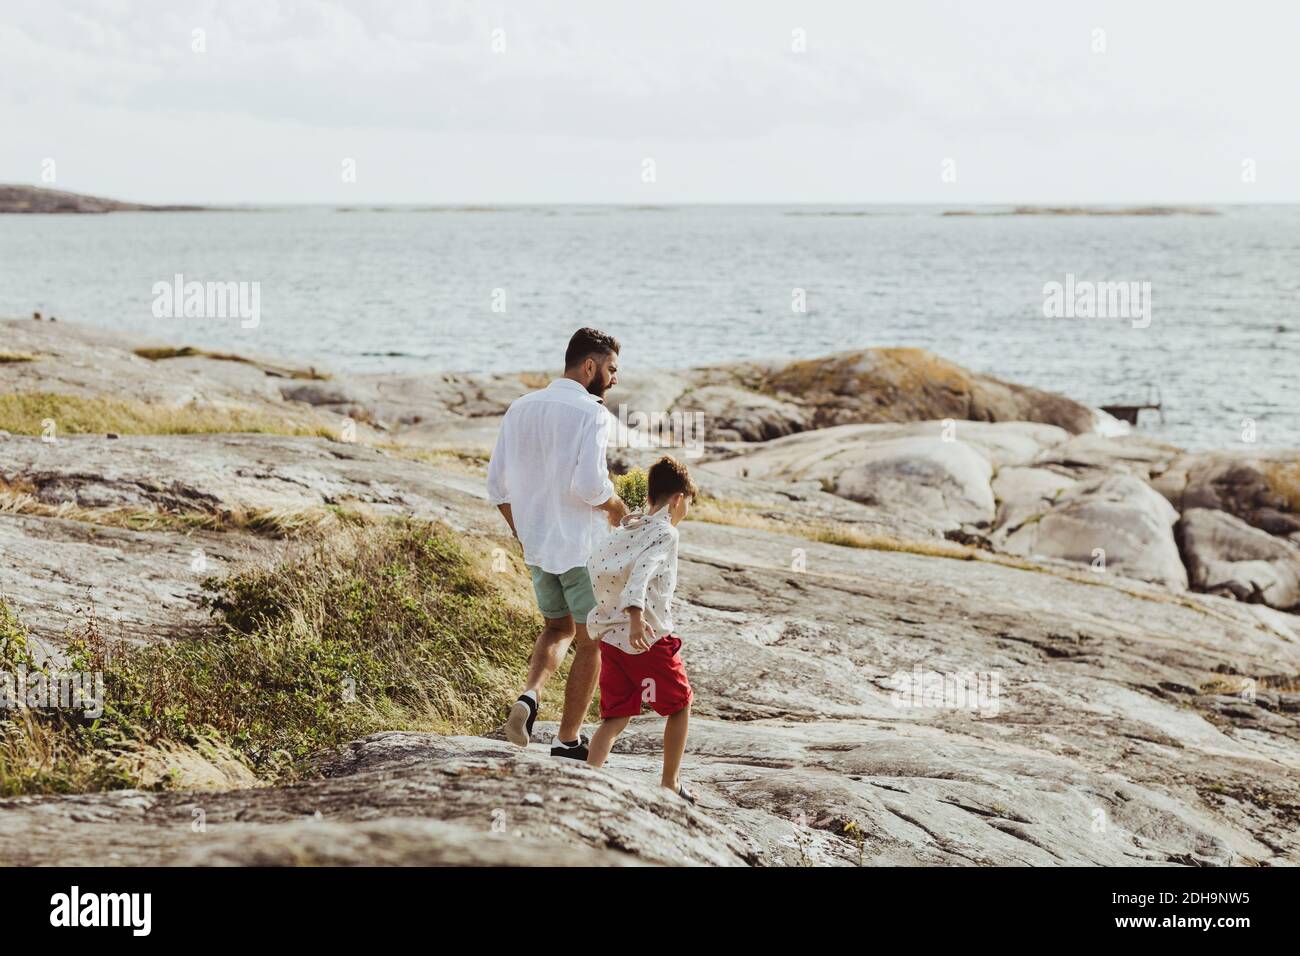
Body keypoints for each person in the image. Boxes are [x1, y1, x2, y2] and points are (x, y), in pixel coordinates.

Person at [486, 327, 629, 759]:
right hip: (582, 549)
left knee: (556, 627)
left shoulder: (521, 407)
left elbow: (497, 486)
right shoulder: (592, 412)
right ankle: (567, 740)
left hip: (539, 546)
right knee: (591, 641)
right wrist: (617, 507)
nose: (614, 378)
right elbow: (589, 484)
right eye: (612, 368)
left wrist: (523, 530)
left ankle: (529, 697)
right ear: (590, 366)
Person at [585, 455, 698, 802]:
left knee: (616, 716)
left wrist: (612, 612)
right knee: (680, 705)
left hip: (612, 639)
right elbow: (644, 572)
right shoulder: (666, 532)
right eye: (687, 505)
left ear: (650, 496)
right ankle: (670, 783)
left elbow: (598, 564)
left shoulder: (629, 527)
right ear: (678, 499)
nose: (685, 512)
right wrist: (635, 614)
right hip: (646, 638)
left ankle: (586, 779)